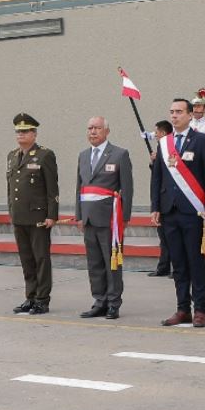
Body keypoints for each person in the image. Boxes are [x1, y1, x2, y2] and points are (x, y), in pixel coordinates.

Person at [151, 96, 205, 328]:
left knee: (194, 262)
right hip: (170, 211)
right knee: (178, 264)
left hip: (193, 212)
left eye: (179, 111)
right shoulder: (163, 143)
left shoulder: (201, 141)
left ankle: (199, 310)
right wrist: (155, 206)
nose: (174, 115)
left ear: (190, 115)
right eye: (171, 112)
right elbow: (157, 177)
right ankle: (182, 309)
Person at [74, 115, 132, 320]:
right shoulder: (83, 155)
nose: (93, 132)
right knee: (95, 263)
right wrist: (78, 216)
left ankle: (114, 303)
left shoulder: (119, 154)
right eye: (90, 128)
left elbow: (128, 187)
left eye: (97, 128)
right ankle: (99, 300)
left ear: (107, 131)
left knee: (112, 262)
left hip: (110, 218)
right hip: (89, 218)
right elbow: (80, 188)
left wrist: (124, 218)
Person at [4, 113, 59, 315]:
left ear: (34, 134)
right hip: (19, 217)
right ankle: (30, 296)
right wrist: (11, 211)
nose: (21, 135)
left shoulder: (45, 155)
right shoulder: (12, 156)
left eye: (25, 131)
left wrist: (52, 215)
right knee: (26, 259)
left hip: (38, 217)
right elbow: (11, 187)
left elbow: (52, 189)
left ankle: (42, 300)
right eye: (18, 131)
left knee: (41, 259)